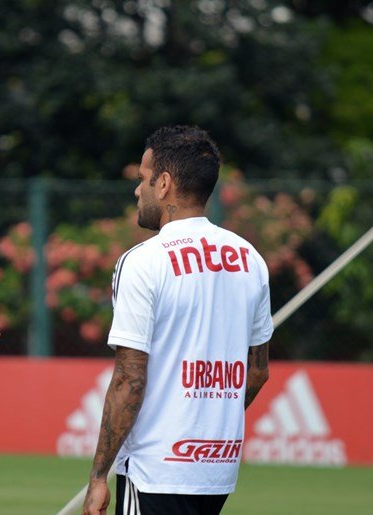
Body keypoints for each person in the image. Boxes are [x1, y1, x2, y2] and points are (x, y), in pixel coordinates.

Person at [82, 125, 272, 515]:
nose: (138, 190)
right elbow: (258, 371)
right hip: (217, 470)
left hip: (156, 469)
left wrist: (99, 476)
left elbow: (129, 378)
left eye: (143, 179)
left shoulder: (142, 261)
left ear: (164, 183)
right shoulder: (250, 258)